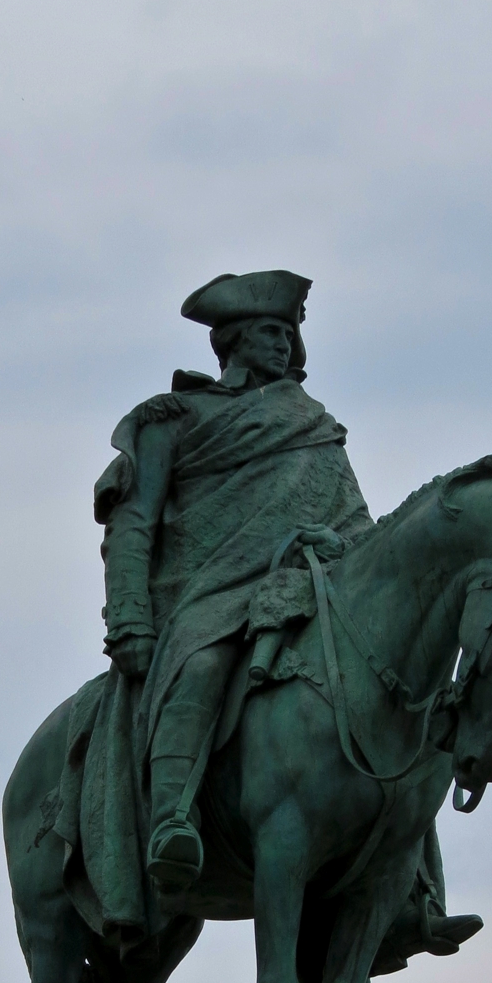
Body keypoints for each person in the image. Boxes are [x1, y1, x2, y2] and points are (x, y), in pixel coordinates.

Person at [95, 270, 373, 888]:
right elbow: (132, 523)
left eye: (289, 334)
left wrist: (341, 546)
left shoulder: (311, 423)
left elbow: (356, 520)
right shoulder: (175, 418)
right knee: (202, 660)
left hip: (305, 586)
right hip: (206, 595)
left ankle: (410, 892)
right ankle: (171, 817)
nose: (285, 346)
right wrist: (131, 619)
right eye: (271, 332)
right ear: (235, 340)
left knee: (385, 689)